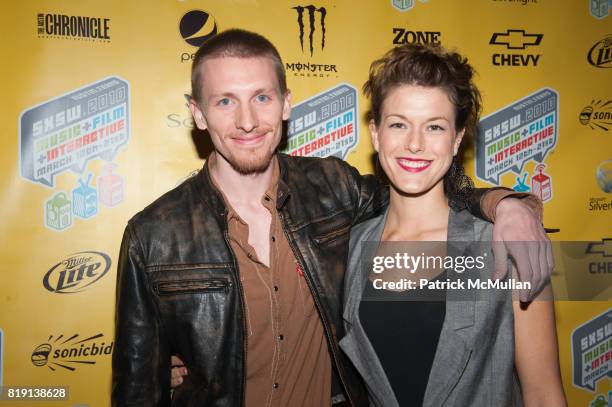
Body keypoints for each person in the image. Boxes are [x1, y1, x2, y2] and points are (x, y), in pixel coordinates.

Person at [111, 29, 552, 406]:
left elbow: (422, 191)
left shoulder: (335, 193)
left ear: (286, 103)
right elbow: (137, 388)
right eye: (225, 101)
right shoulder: (153, 237)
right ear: (197, 113)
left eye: (261, 97)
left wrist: (506, 203)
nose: (248, 121)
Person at [339, 43, 566, 406]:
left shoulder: (508, 244)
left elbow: (543, 394)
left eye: (434, 127)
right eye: (398, 124)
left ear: (457, 139)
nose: (414, 144)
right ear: (376, 132)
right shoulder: (351, 246)